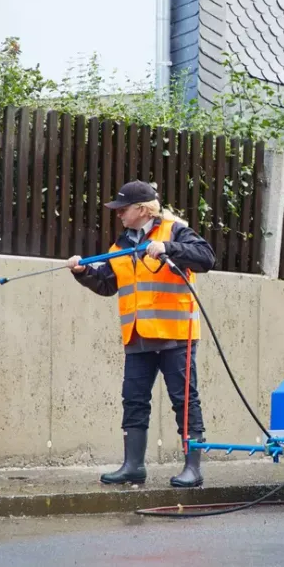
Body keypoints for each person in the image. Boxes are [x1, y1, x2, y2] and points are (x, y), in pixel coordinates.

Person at [67, 180, 215, 488]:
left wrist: (169, 248)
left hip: (175, 334)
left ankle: (193, 468)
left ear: (142, 209)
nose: (118, 213)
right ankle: (133, 466)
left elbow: (206, 257)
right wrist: (83, 274)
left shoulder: (175, 230)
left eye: (123, 208)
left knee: (184, 400)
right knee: (134, 401)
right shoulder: (120, 246)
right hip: (137, 337)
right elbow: (108, 284)